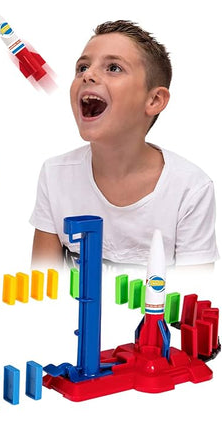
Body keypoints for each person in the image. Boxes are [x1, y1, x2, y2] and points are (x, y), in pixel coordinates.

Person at [30, 20, 218, 268]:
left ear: (154, 100)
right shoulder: (55, 174)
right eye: (82, 67)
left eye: (114, 68)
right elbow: (43, 283)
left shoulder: (191, 189)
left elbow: (195, 289)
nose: (88, 75)